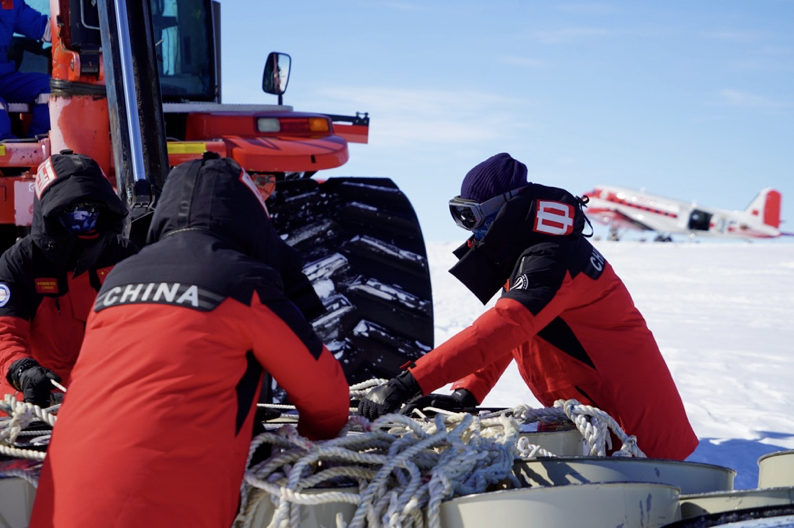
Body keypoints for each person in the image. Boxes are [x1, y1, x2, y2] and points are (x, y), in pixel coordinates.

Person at [30, 154, 350, 527]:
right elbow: (327, 400)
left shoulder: (117, 280)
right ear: (249, 222)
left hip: (58, 508)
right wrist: (306, 443)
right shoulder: (243, 283)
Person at [358, 153, 699, 461]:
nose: (471, 231)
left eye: (472, 216)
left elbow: (504, 328)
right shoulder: (534, 250)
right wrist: (467, 392)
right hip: (609, 433)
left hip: (641, 444)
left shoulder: (552, 259)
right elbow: (512, 335)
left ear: (506, 209)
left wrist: (409, 382)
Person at [0, 150, 137, 407]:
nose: (84, 221)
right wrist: (22, 369)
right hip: (36, 401)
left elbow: (147, 326)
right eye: (74, 212)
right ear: (50, 214)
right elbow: (4, 333)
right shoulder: (19, 262)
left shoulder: (123, 254)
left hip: (109, 399)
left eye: (91, 211)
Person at [0, 0, 51, 140]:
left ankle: (37, 144)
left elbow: (43, 28)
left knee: (51, 87)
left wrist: (76, 28)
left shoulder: (9, 3)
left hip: (4, 76)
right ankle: (10, 156)